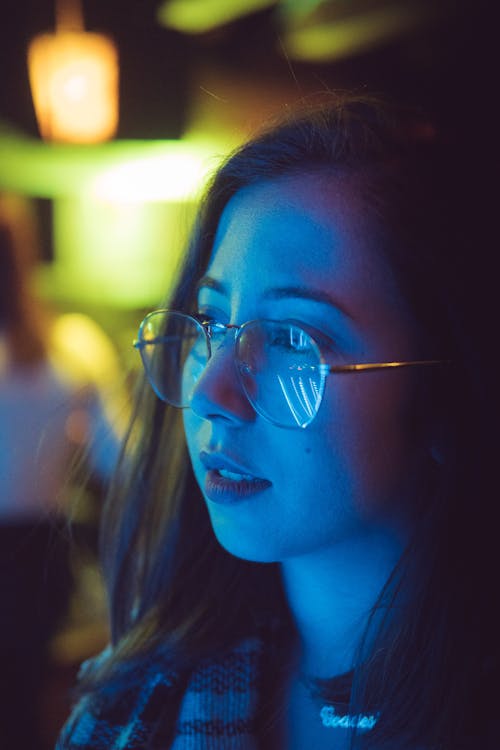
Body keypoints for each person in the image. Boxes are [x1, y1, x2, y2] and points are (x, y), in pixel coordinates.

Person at [56, 94, 497, 750]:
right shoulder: (127, 713)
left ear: (445, 388)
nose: (209, 391)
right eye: (208, 322)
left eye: (294, 337)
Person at [0, 193, 122, 749]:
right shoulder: (71, 347)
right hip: (38, 553)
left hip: (33, 551)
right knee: (26, 699)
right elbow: (117, 459)